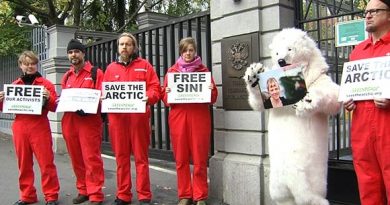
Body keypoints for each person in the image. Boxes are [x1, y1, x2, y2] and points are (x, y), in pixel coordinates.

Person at [103, 33, 161, 205]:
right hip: (117, 122)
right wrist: (102, 98)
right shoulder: (110, 68)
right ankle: (123, 195)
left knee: (141, 158)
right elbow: (104, 92)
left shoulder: (145, 66)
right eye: (121, 44)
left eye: (128, 44)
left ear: (134, 47)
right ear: (118, 47)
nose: (124, 47)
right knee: (121, 158)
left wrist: (148, 97)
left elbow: (155, 89)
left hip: (139, 120)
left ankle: (144, 195)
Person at [161, 37, 218, 205]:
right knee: (181, 158)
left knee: (200, 158)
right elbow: (165, 99)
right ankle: (185, 194)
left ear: (195, 52)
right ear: (181, 52)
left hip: (199, 117)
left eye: (191, 50)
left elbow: (213, 98)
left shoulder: (204, 71)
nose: (188, 53)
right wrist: (167, 92)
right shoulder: (172, 72)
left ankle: (200, 195)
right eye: (185, 50)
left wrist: (212, 90)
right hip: (179, 118)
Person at [343, 0, 390, 204]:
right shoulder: (357, 51)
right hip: (362, 123)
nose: (368, 15)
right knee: (367, 182)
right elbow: (351, 87)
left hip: (386, 123)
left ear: (389, 15)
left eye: (374, 11)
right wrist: (348, 100)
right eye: (366, 11)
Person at [0, 51, 60, 205]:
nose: (30, 66)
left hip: (39, 125)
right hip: (20, 125)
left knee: (46, 162)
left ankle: (51, 195)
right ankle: (27, 195)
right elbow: (5, 108)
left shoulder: (45, 84)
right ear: (21, 66)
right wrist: (1, 100)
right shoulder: (14, 85)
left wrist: (49, 97)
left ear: (36, 64)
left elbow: (55, 107)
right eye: (26, 63)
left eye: (32, 63)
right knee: (24, 163)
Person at [61, 39, 105, 205]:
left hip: (89, 121)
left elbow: (101, 96)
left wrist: (90, 105)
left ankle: (95, 193)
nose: (74, 55)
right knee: (76, 158)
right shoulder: (67, 76)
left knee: (91, 158)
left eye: (77, 52)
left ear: (83, 53)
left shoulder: (95, 73)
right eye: (71, 52)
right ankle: (83, 190)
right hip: (70, 121)